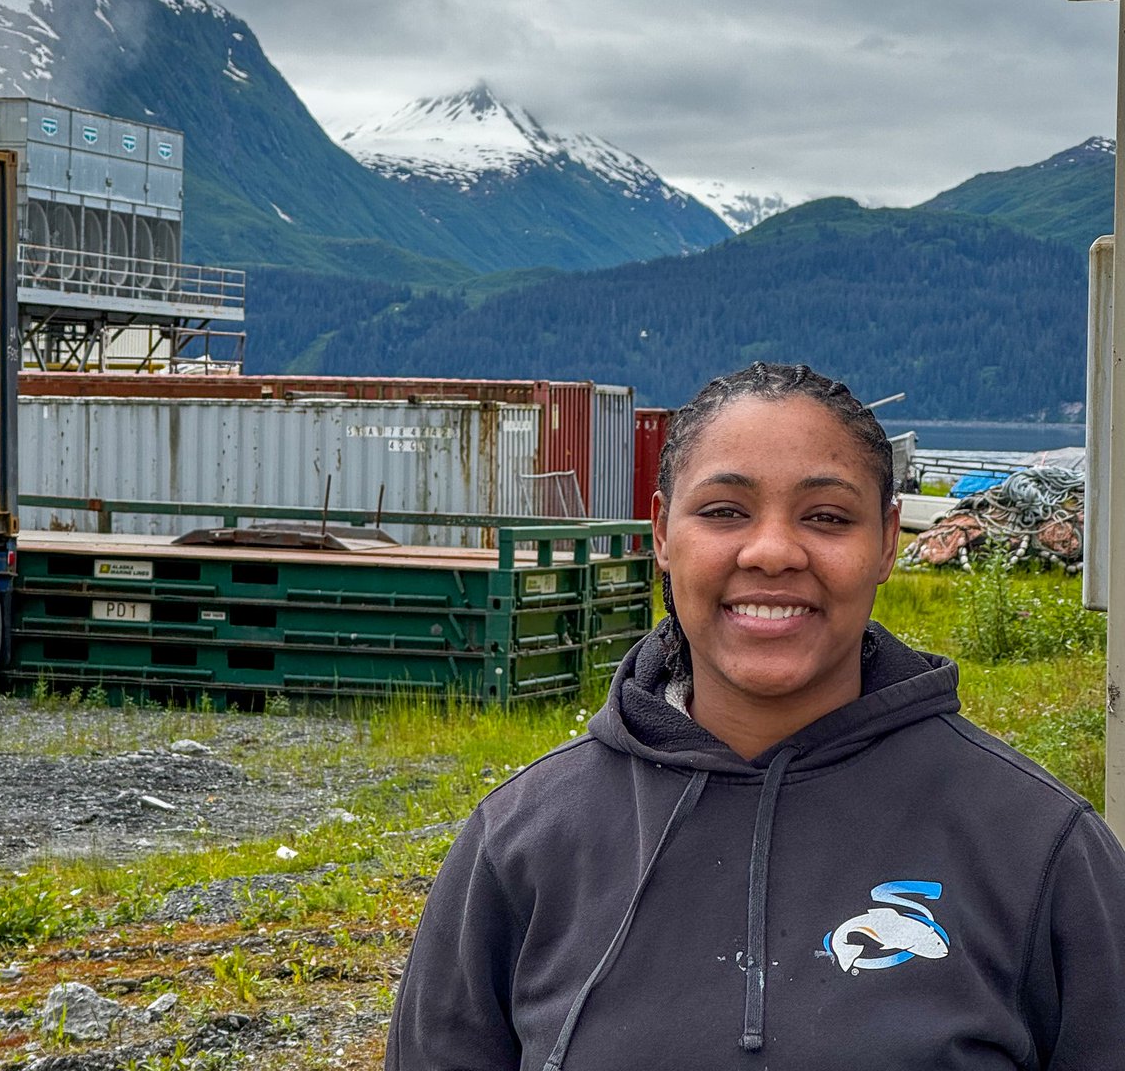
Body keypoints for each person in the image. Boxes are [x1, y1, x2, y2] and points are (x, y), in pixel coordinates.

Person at [385, 362, 1125, 1070]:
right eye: (724, 511)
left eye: (828, 516)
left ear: (887, 543)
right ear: (664, 534)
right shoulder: (522, 843)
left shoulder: (1039, 849)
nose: (772, 551)